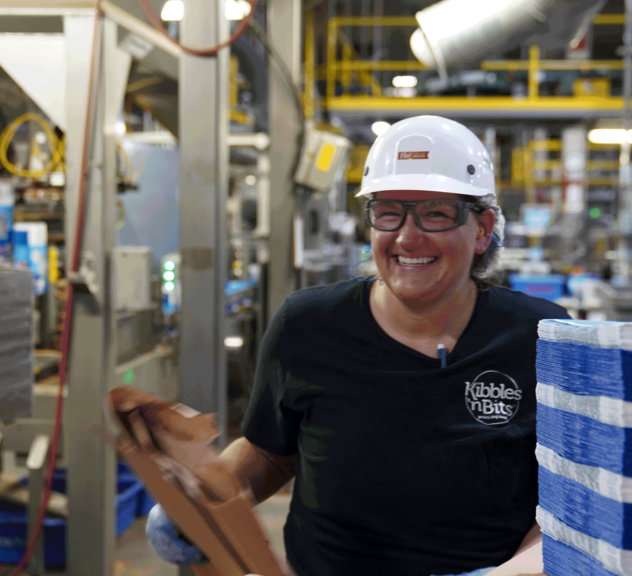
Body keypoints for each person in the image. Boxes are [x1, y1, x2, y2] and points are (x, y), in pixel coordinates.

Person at [147, 115, 570, 576]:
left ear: (484, 227)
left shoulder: (541, 336)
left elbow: (571, 501)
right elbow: (271, 450)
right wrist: (206, 500)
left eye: (436, 213)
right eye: (388, 211)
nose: (408, 237)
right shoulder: (307, 325)